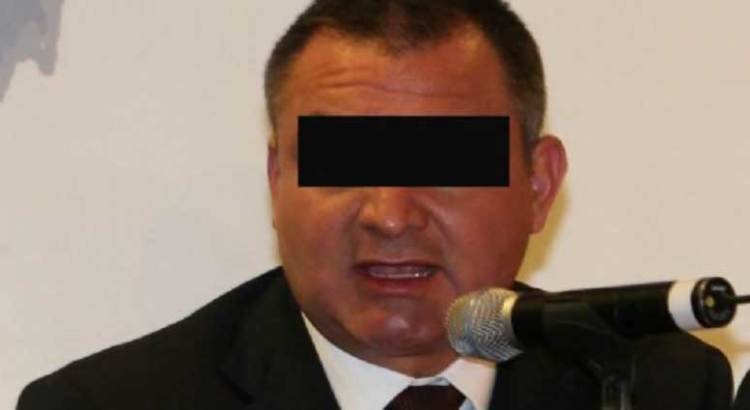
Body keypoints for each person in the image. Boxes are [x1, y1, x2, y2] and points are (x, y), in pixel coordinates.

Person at [17, 0, 733, 409]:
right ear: (276, 179)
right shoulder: (109, 404)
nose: (390, 216)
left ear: (539, 185)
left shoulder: (660, 388)